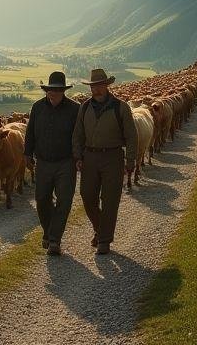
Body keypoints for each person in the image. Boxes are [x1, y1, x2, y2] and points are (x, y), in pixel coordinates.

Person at [73, 68, 138, 255]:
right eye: (93, 86)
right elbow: (78, 134)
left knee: (110, 200)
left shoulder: (121, 107)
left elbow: (131, 136)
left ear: (107, 86)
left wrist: (131, 160)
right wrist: (77, 156)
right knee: (87, 196)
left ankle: (104, 240)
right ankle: (100, 229)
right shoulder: (84, 107)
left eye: (100, 85)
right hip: (90, 157)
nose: (96, 89)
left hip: (113, 156)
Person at [24, 71, 80, 256]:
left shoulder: (75, 109)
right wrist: (27, 154)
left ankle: (54, 240)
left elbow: (79, 136)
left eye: (56, 90)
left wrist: (78, 157)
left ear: (63, 90)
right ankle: (48, 232)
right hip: (43, 161)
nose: (53, 93)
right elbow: (30, 133)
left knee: (64, 200)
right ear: (46, 90)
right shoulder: (37, 107)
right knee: (41, 200)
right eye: (50, 90)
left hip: (66, 162)